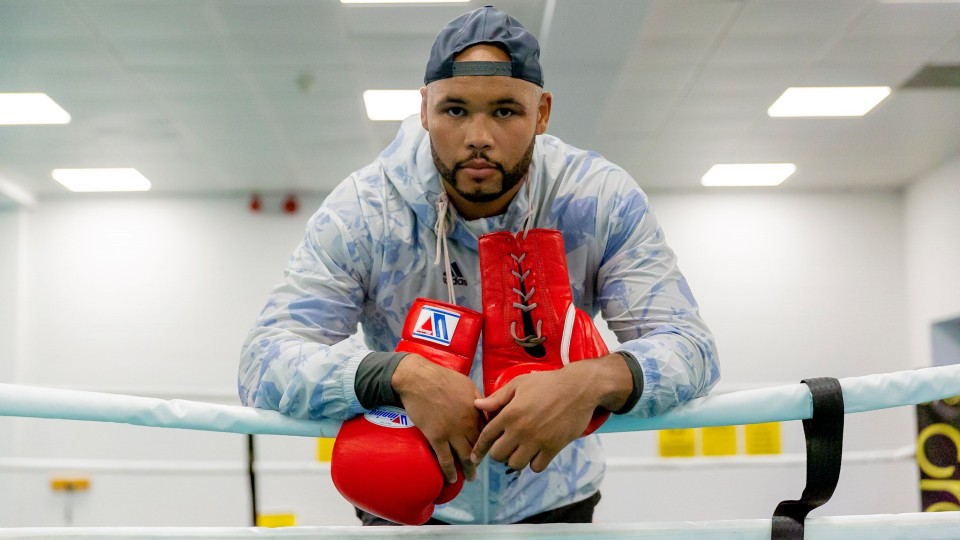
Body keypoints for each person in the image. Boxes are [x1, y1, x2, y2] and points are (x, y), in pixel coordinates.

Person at [239, 5, 719, 526]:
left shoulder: (598, 200)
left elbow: (690, 347)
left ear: (542, 113)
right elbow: (263, 361)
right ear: (425, 110)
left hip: (554, 498)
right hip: (412, 498)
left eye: (505, 111)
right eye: (455, 110)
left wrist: (591, 381)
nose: (478, 137)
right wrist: (395, 374)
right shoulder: (365, 212)